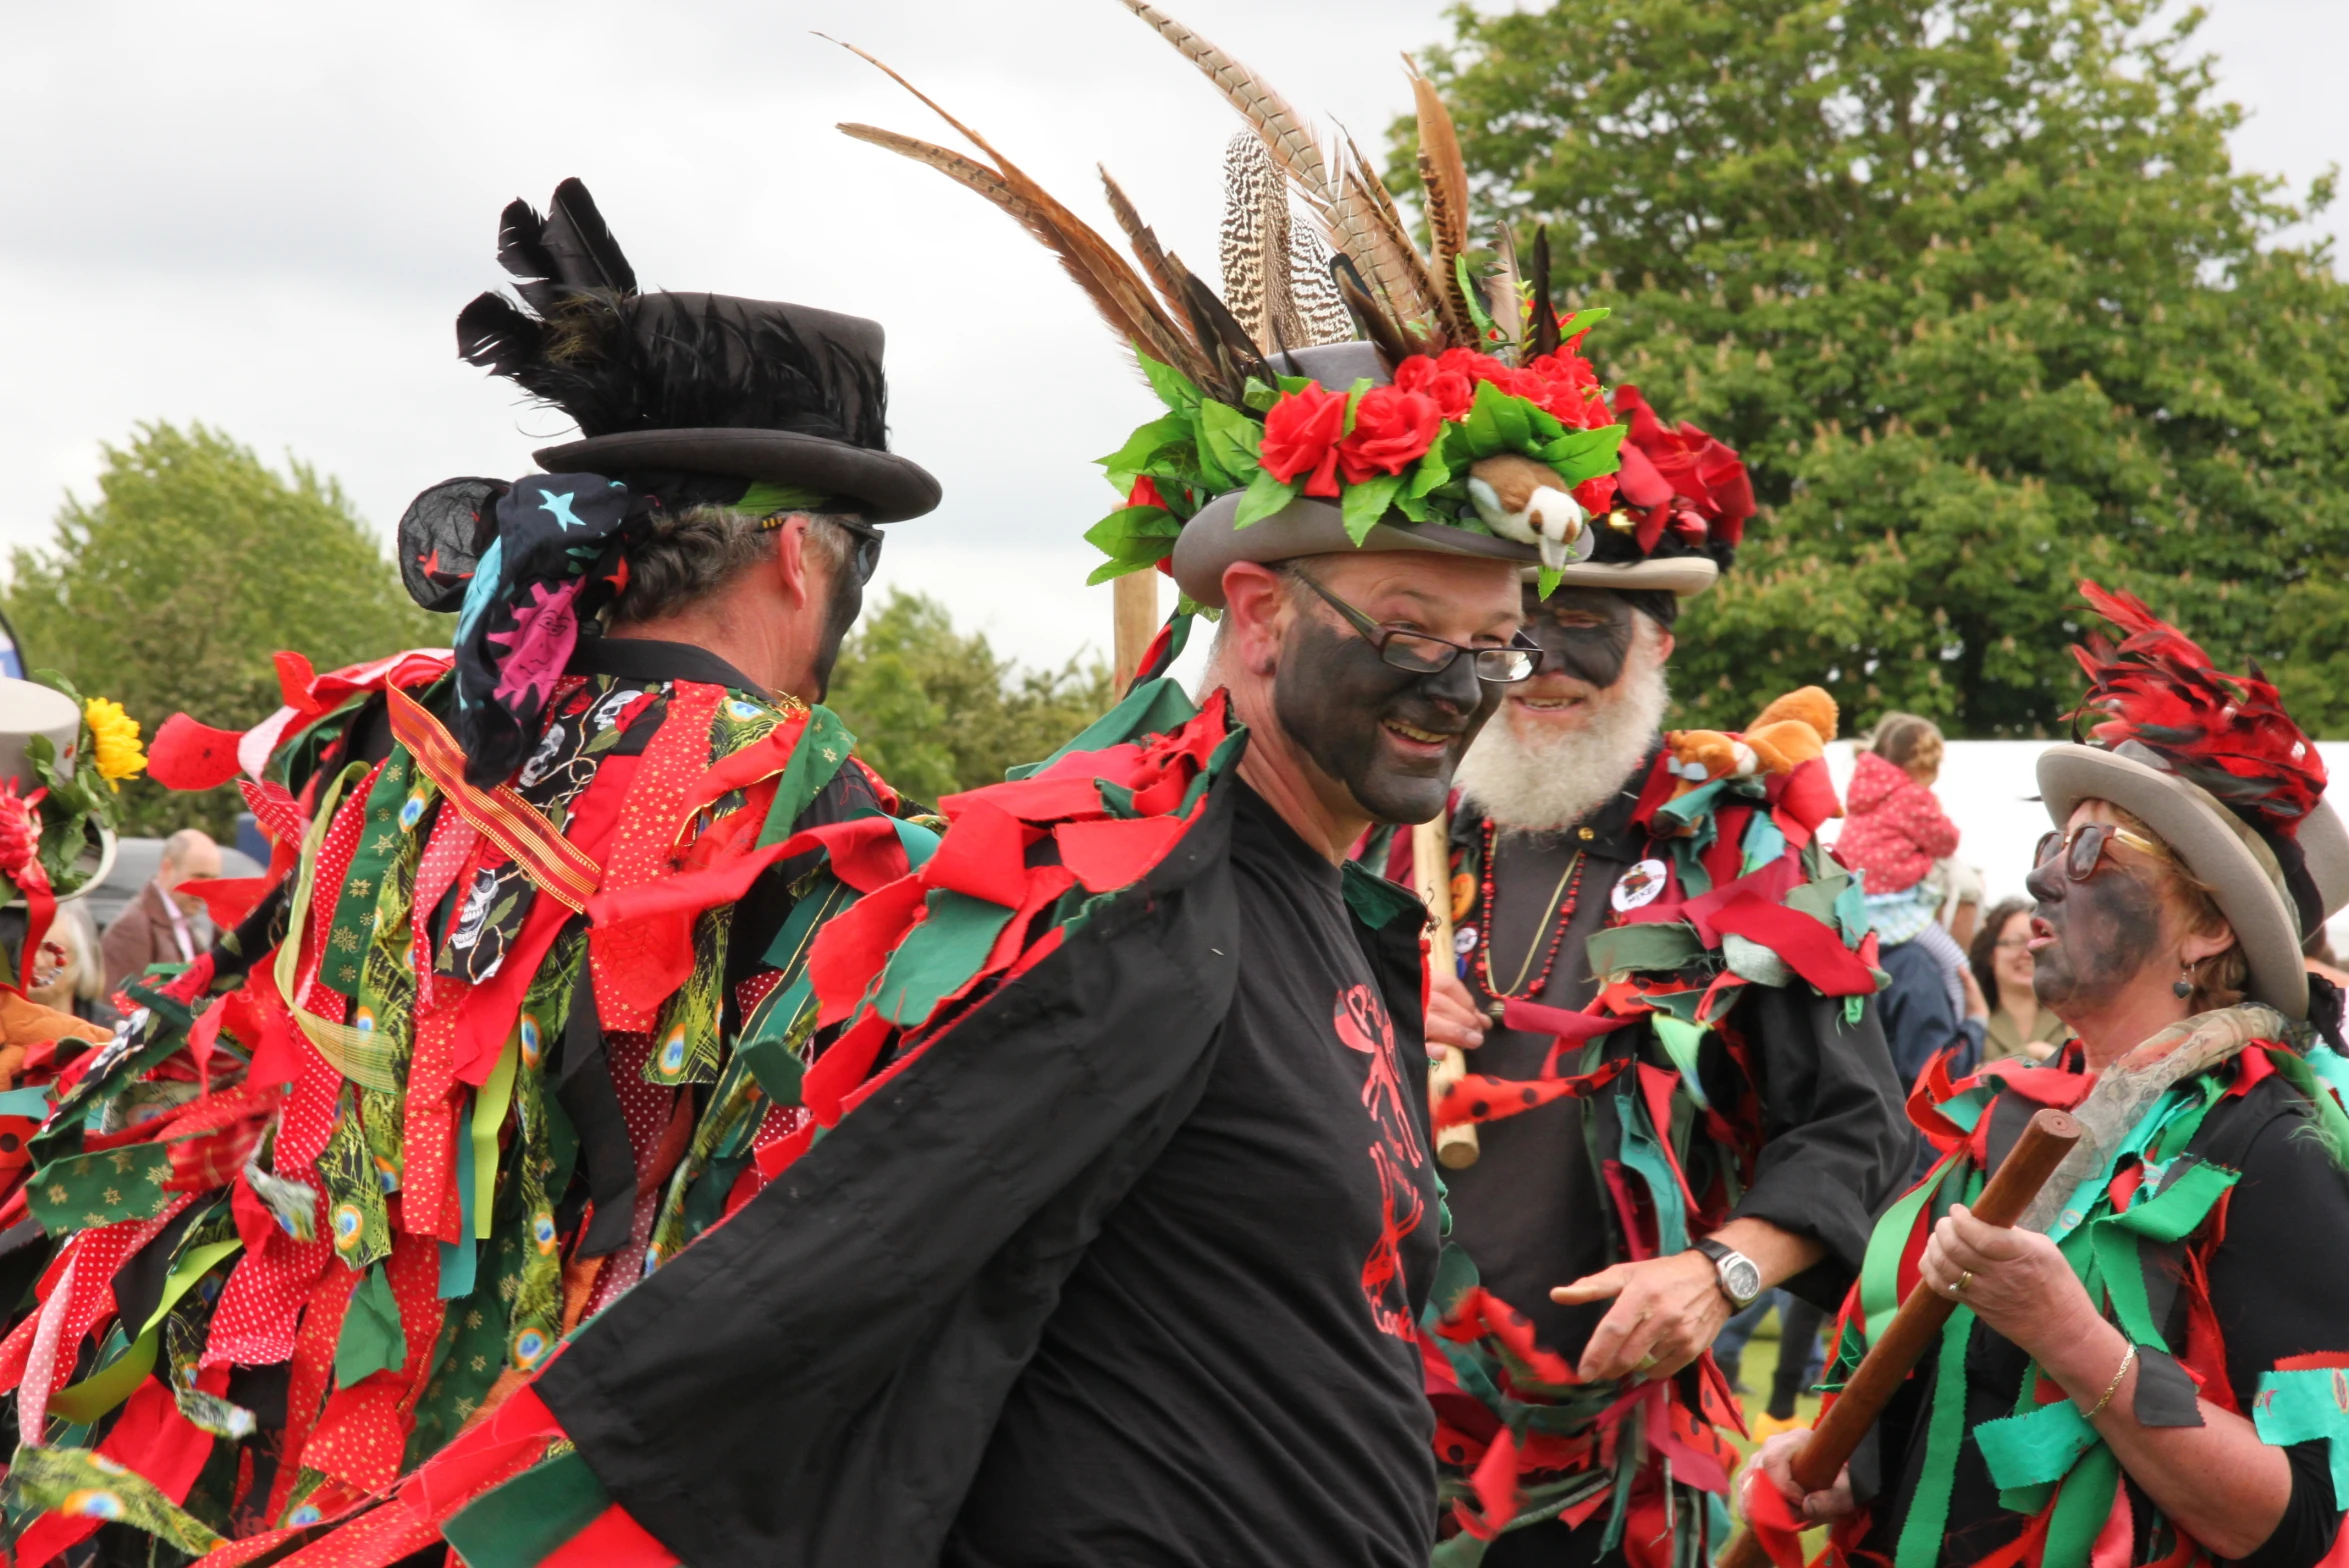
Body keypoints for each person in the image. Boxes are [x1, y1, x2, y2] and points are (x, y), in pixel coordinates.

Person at [267, 31, 1626, 1564]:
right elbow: (812, 1258)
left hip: (320, 1399)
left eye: (1494, 647)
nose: (1458, 685)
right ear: (1253, 615)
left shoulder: (389, 755)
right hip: (531, 1465)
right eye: (1405, 630)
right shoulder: (1017, 865)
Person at [0, 176, 943, 1560]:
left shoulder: (380, 749)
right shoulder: (814, 812)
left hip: (279, 1457)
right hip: (557, 1494)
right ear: (799, 559)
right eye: (857, 557)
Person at [1401, 377, 1913, 1553]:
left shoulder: (1740, 847)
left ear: (1659, 639)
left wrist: (1720, 1274)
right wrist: (1358, 999)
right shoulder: (1387, 819)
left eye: (1586, 620)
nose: (1539, 663)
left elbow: (1856, 1130)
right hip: (1340, 1424)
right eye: (1511, 622)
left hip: (1591, 1471)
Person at [1751, 583, 2349, 1568]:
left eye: (2093, 846)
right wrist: (1856, 1466)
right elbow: (1966, 1409)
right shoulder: (2003, 1120)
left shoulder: (2274, 1148)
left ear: (2207, 929)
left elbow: (2302, 1525)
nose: (2042, 876)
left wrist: (2075, 1336)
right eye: (2047, 842)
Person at [98, 826, 220, 995]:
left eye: (213, 880)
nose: (206, 890)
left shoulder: (184, 920)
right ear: (167, 868)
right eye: (199, 877)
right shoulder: (132, 927)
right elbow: (119, 1007)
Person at [1972, 895, 2070, 1062]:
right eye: (2017, 942)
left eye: (2037, 942)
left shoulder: (2072, 1021)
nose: (2028, 953)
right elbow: (1965, 1082)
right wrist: (2030, 1052)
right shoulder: (1974, 1027)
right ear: (1990, 954)